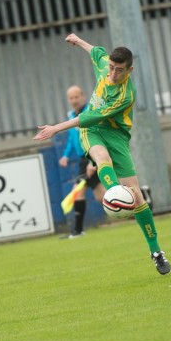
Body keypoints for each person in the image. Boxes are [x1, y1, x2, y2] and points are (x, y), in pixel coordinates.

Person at [34, 33, 171, 275]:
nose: (113, 74)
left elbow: (90, 115)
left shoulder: (124, 95)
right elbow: (96, 51)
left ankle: (156, 251)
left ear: (130, 70)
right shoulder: (105, 64)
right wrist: (78, 41)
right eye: (111, 68)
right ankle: (113, 193)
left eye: (119, 70)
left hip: (116, 135)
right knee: (101, 159)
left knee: (137, 197)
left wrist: (56, 128)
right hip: (92, 131)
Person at [58, 84, 104, 237]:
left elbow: (97, 136)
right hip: (82, 160)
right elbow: (72, 140)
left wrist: (93, 161)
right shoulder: (72, 116)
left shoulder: (89, 113)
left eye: (76, 96)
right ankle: (138, 203)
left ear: (83, 96)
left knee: (78, 193)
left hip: (92, 156)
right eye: (71, 98)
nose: (74, 100)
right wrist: (65, 155)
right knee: (101, 197)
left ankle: (77, 231)